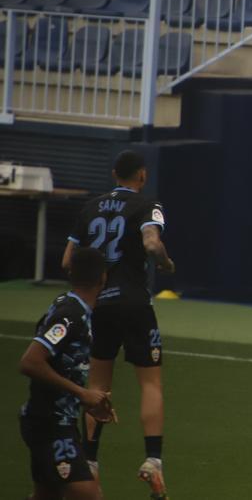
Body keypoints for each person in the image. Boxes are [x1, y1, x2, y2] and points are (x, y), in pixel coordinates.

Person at [63, 150, 175, 500]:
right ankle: (153, 460)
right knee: (150, 382)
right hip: (134, 303)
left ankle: (91, 461)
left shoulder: (90, 208)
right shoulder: (146, 204)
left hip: (98, 303)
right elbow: (152, 242)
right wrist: (166, 262)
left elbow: (68, 259)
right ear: (141, 175)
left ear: (114, 174)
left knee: (97, 383)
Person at [18, 247, 117, 500]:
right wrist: (82, 393)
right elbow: (30, 361)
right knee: (89, 495)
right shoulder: (71, 316)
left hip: (50, 420)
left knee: (46, 495)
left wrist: (86, 398)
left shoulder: (70, 305)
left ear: (71, 273)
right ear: (103, 278)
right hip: (51, 425)